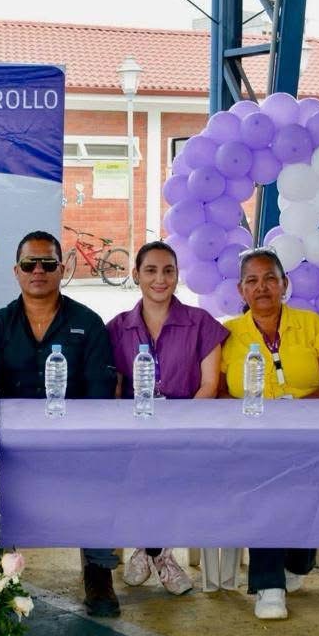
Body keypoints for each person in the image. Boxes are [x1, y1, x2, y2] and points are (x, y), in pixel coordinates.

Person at [0, 230, 119, 616]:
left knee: (102, 468)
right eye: (29, 264)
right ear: (16, 271)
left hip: (74, 442)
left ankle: (98, 571)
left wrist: (75, 437)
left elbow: (100, 393)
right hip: (11, 447)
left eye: (48, 264)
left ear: (62, 269)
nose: (38, 270)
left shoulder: (88, 322)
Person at [219, 247, 319, 620]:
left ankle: (296, 563)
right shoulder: (227, 334)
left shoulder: (310, 324)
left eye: (270, 279)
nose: (262, 287)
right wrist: (249, 415)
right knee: (265, 484)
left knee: (308, 485)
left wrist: (298, 410)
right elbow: (218, 392)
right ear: (241, 290)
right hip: (251, 440)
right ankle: (269, 584)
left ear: (284, 284)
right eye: (252, 280)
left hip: (310, 435)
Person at [107, 241, 228, 596]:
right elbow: (116, 390)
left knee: (168, 462)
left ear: (177, 276)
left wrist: (178, 426)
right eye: (151, 270)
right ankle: (159, 554)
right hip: (135, 430)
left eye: (168, 271)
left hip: (189, 428)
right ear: (136, 275)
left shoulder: (201, 323)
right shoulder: (117, 328)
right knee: (137, 461)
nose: (160, 279)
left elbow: (209, 385)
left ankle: (149, 551)